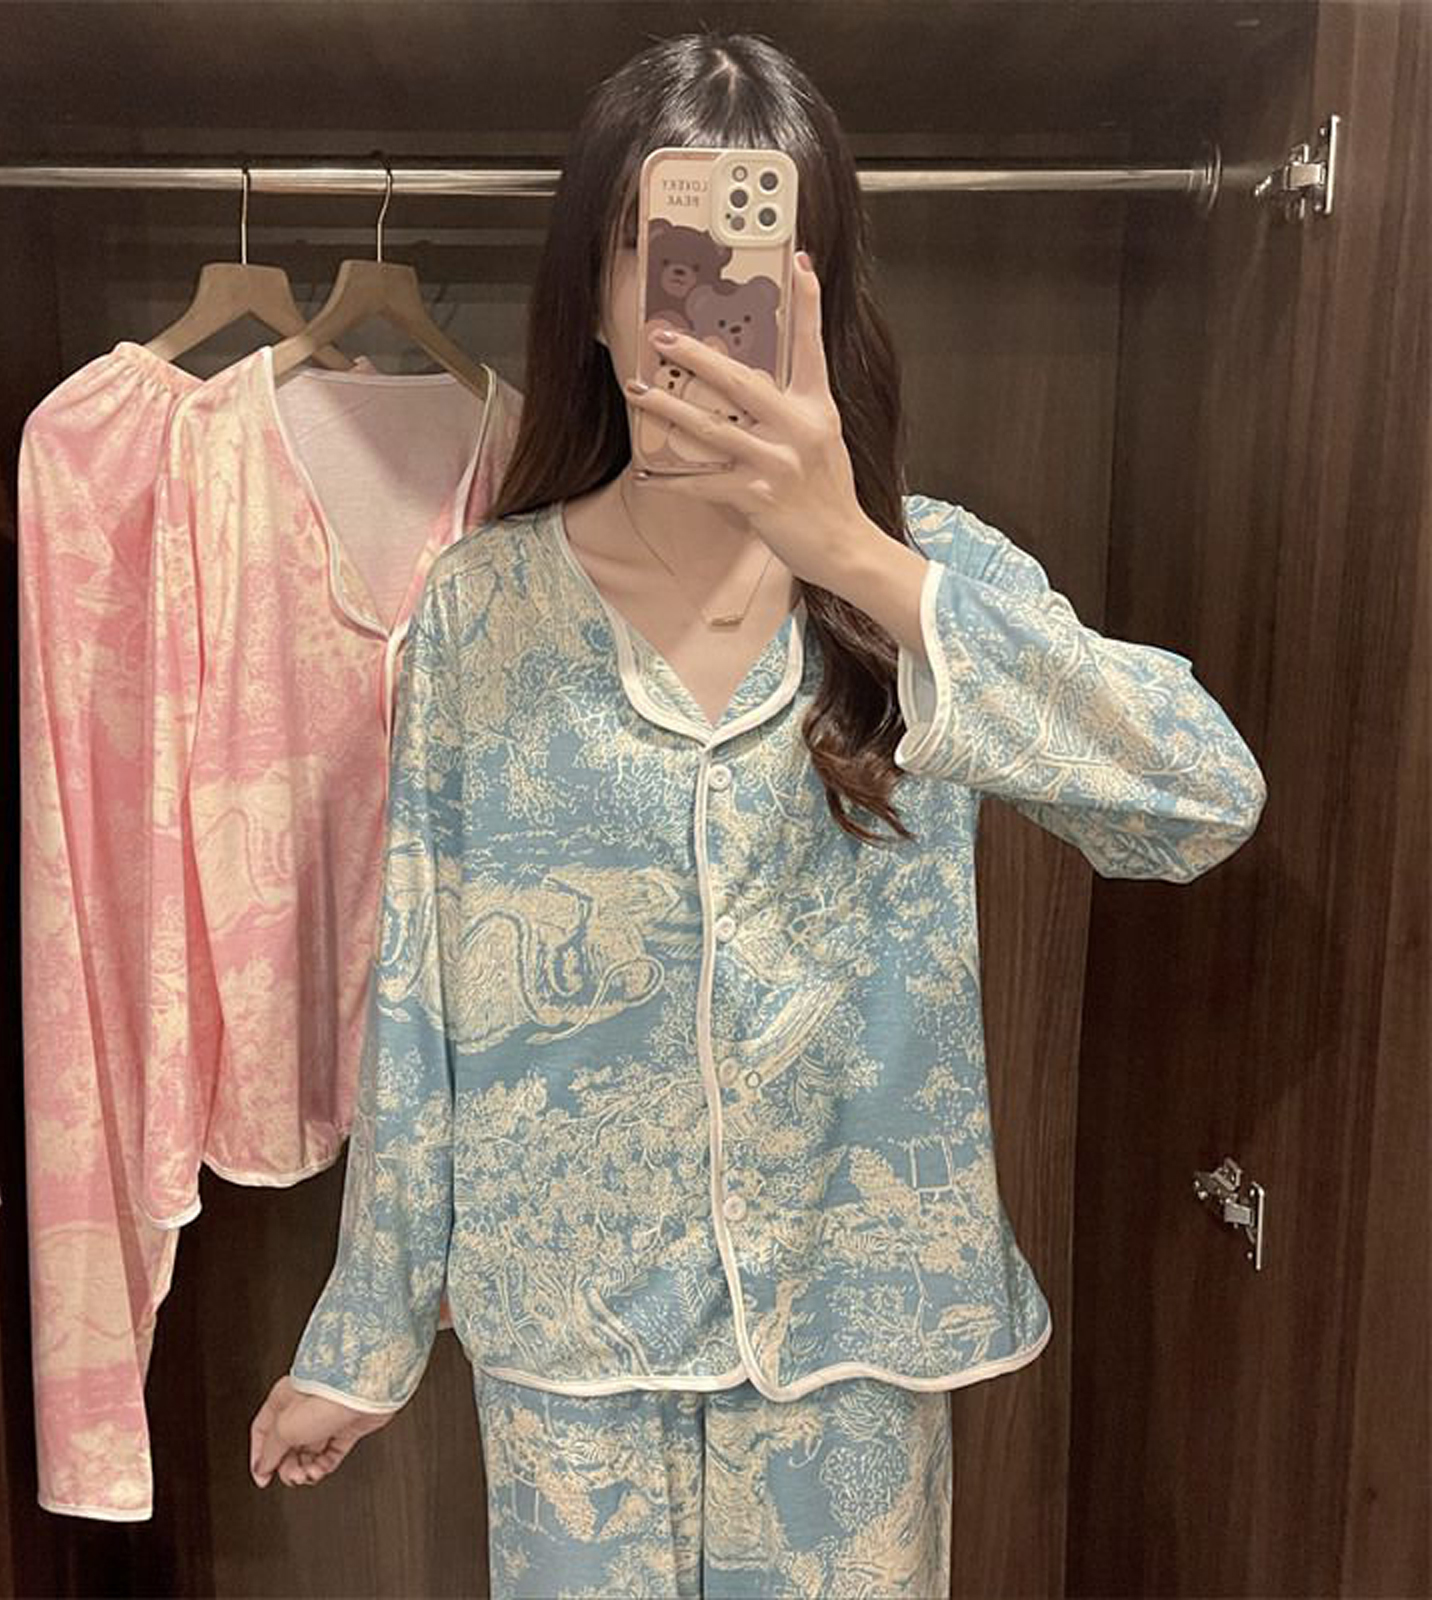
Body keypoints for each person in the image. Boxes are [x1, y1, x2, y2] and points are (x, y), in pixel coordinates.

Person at [248, 28, 1267, 1599]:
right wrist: (366, 1339)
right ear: (594, 293)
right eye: (650, 252)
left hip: (851, 1344)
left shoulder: (930, 576)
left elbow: (1200, 798)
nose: (690, 307)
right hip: (572, 1355)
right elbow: (419, 994)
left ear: (814, 289)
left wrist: (855, 555)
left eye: (745, 257)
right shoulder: (481, 614)